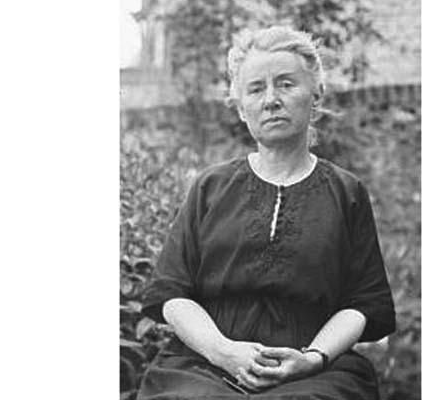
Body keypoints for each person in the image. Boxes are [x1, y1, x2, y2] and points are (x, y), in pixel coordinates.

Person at [137, 25, 395, 400]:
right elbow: (172, 294)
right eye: (256, 89)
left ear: (316, 94)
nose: (271, 99)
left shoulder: (347, 193)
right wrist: (224, 353)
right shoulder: (210, 187)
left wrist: (314, 358)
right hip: (204, 364)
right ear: (242, 108)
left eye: (286, 84)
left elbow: (363, 304)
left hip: (313, 370)